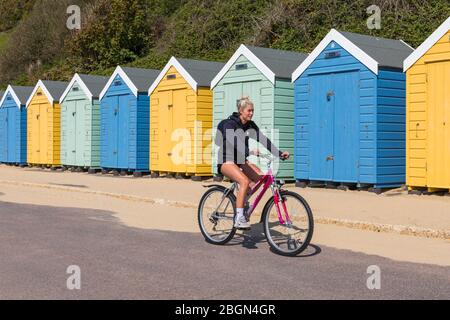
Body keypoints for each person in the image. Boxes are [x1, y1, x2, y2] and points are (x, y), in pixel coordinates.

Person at [215, 96, 290, 229]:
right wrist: (249, 151)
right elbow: (235, 142)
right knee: (244, 181)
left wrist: (278, 153)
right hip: (226, 160)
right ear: (241, 110)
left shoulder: (250, 125)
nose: (251, 113)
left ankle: (242, 203)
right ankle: (239, 218)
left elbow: (263, 139)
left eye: (252, 110)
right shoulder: (230, 124)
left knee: (258, 179)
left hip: (240, 160)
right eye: (249, 110)